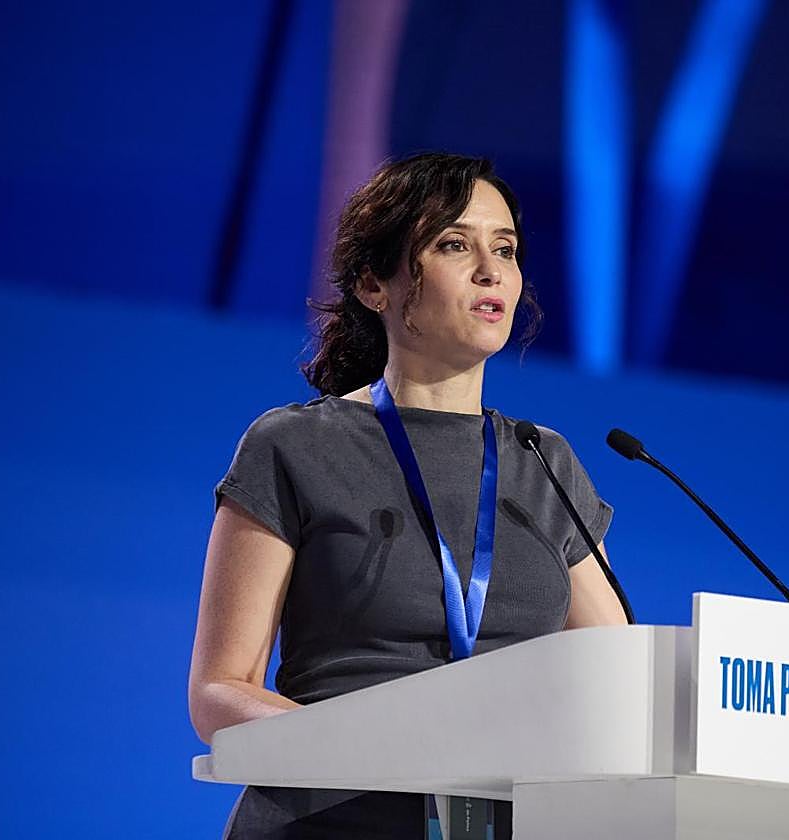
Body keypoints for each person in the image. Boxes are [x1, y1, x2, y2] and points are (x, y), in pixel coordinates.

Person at [188, 152, 628, 838]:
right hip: (332, 819)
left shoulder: (543, 461)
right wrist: (371, 749)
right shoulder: (297, 447)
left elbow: (623, 682)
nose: (491, 270)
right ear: (373, 283)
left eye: (505, 249)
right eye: (455, 244)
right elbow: (219, 691)